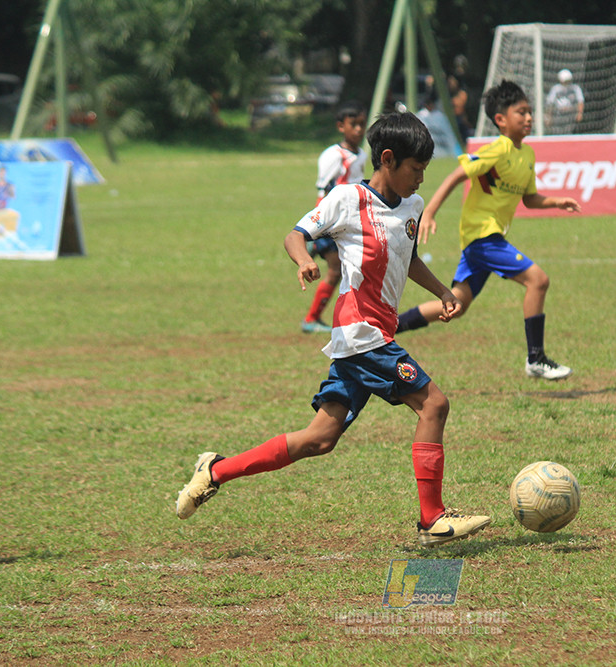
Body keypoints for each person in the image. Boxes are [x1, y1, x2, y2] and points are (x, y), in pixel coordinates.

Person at [177, 111, 491, 547]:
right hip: (362, 334)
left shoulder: (412, 207)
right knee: (434, 405)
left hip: (370, 336)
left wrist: (442, 291)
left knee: (319, 439)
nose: (421, 179)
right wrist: (305, 259)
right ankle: (432, 518)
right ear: (387, 159)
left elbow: (408, 257)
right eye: (415, 169)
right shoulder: (347, 200)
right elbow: (295, 234)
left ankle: (215, 470)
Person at [396, 80, 581, 380]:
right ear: (500, 120)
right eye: (521, 112)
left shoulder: (527, 155)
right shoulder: (497, 150)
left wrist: (556, 201)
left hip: (483, 241)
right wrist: (428, 212)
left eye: (530, 112)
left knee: (456, 304)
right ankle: (536, 358)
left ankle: (391, 327)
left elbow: (530, 199)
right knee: (538, 280)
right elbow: (458, 174)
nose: (529, 118)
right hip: (482, 236)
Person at [301, 101, 369, 334]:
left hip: (350, 220)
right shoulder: (333, 155)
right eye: (354, 125)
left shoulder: (361, 155)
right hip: (332, 221)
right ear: (341, 126)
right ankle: (311, 319)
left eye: (362, 124)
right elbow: (323, 192)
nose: (359, 130)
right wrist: (316, 227)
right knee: (336, 269)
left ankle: (343, 318)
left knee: (348, 268)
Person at [545, 69, 584, 135]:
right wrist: (549, 116)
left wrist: (579, 113)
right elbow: (550, 103)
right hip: (558, 115)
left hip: (570, 115)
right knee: (558, 133)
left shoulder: (575, 88)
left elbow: (580, 101)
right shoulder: (556, 89)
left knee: (569, 132)